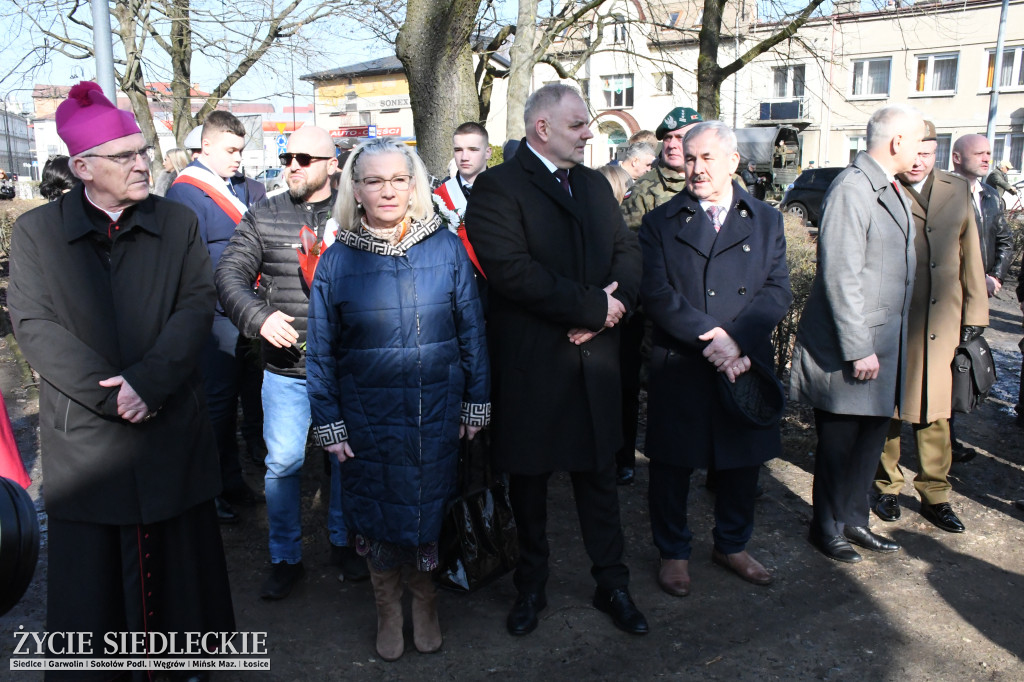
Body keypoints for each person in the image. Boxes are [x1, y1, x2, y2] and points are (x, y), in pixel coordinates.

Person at [8, 81, 234, 675]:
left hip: (168, 426)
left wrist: (150, 384)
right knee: (96, 593)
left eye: (142, 151)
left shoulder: (177, 222)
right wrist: (112, 396)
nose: (143, 164)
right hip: (88, 438)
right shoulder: (36, 234)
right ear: (83, 167)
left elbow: (196, 304)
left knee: (182, 578)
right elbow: (35, 325)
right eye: (126, 156)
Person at [465, 83, 648, 637]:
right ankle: (531, 587)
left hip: (594, 363)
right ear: (542, 128)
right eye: (579, 124)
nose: (590, 132)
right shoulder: (497, 187)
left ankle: (611, 583)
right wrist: (594, 306)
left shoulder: (594, 185)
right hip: (533, 367)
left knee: (598, 480)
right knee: (530, 484)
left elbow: (628, 251)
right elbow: (511, 270)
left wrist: (615, 308)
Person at [306, 137, 490, 661]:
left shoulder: (446, 247)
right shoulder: (338, 260)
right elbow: (319, 350)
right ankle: (387, 606)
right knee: (377, 512)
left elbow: (472, 331)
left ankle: (425, 599)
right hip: (367, 416)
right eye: (373, 180)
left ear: (413, 186)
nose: (387, 191)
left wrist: (477, 402)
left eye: (398, 179)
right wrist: (330, 422)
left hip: (436, 409)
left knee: (428, 509)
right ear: (356, 190)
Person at [639, 121, 791, 595]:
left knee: (742, 461)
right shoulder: (660, 221)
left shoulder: (766, 219)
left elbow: (776, 290)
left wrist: (737, 342)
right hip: (684, 359)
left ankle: (732, 543)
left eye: (706, 158)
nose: (696, 168)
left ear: (732, 162)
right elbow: (658, 294)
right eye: (689, 158)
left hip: (743, 361)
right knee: (672, 465)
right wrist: (714, 340)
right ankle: (674, 552)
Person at [216, 126, 367, 599]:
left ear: (333, 164)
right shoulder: (263, 214)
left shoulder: (359, 212)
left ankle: (344, 543)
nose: (293, 166)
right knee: (281, 464)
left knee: (345, 461)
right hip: (287, 371)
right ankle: (285, 557)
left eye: (305, 158)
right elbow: (229, 275)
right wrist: (258, 318)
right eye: (287, 158)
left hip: (348, 369)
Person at [790, 103, 924, 564]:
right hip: (855, 347)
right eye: (918, 140)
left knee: (869, 439)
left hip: (883, 343)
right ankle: (825, 526)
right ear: (896, 142)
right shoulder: (853, 188)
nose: (924, 150)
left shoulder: (888, 187)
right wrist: (857, 347)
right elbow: (840, 274)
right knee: (840, 442)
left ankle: (854, 519)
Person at [872, 121, 988, 535]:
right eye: (914, 152)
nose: (919, 161)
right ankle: (885, 485)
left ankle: (935, 494)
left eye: (928, 153)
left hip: (943, 319)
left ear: (938, 153)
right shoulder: (885, 186)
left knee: (936, 411)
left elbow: (970, 254)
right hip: (897, 317)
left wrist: (975, 315)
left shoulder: (956, 190)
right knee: (891, 407)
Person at [166, 111, 268, 520]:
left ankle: (232, 481)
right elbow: (190, 264)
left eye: (241, 151)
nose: (237, 159)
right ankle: (211, 491)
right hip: (215, 317)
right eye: (230, 151)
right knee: (217, 408)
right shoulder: (186, 193)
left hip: (246, 309)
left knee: (244, 397)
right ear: (205, 146)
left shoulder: (240, 187)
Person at [949, 133, 1013, 461]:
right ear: (957, 157)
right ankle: (941, 436)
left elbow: (1005, 240)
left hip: (980, 295)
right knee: (946, 363)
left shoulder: (990, 195)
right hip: (950, 295)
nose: (987, 158)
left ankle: (949, 434)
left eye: (990, 153)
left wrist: (995, 276)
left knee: (965, 362)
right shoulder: (943, 192)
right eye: (980, 153)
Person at [621, 106, 703, 230]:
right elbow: (629, 244)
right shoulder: (642, 189)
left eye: (680, 138)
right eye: (667, 138)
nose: (672, 145)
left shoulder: (724, 181)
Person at [433, 121, 491, 290]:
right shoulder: (438, 198)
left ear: (488, 152)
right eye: (458, 150)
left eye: (473, 149)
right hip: (457, 285)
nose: (464, 157)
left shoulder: (508, 190)